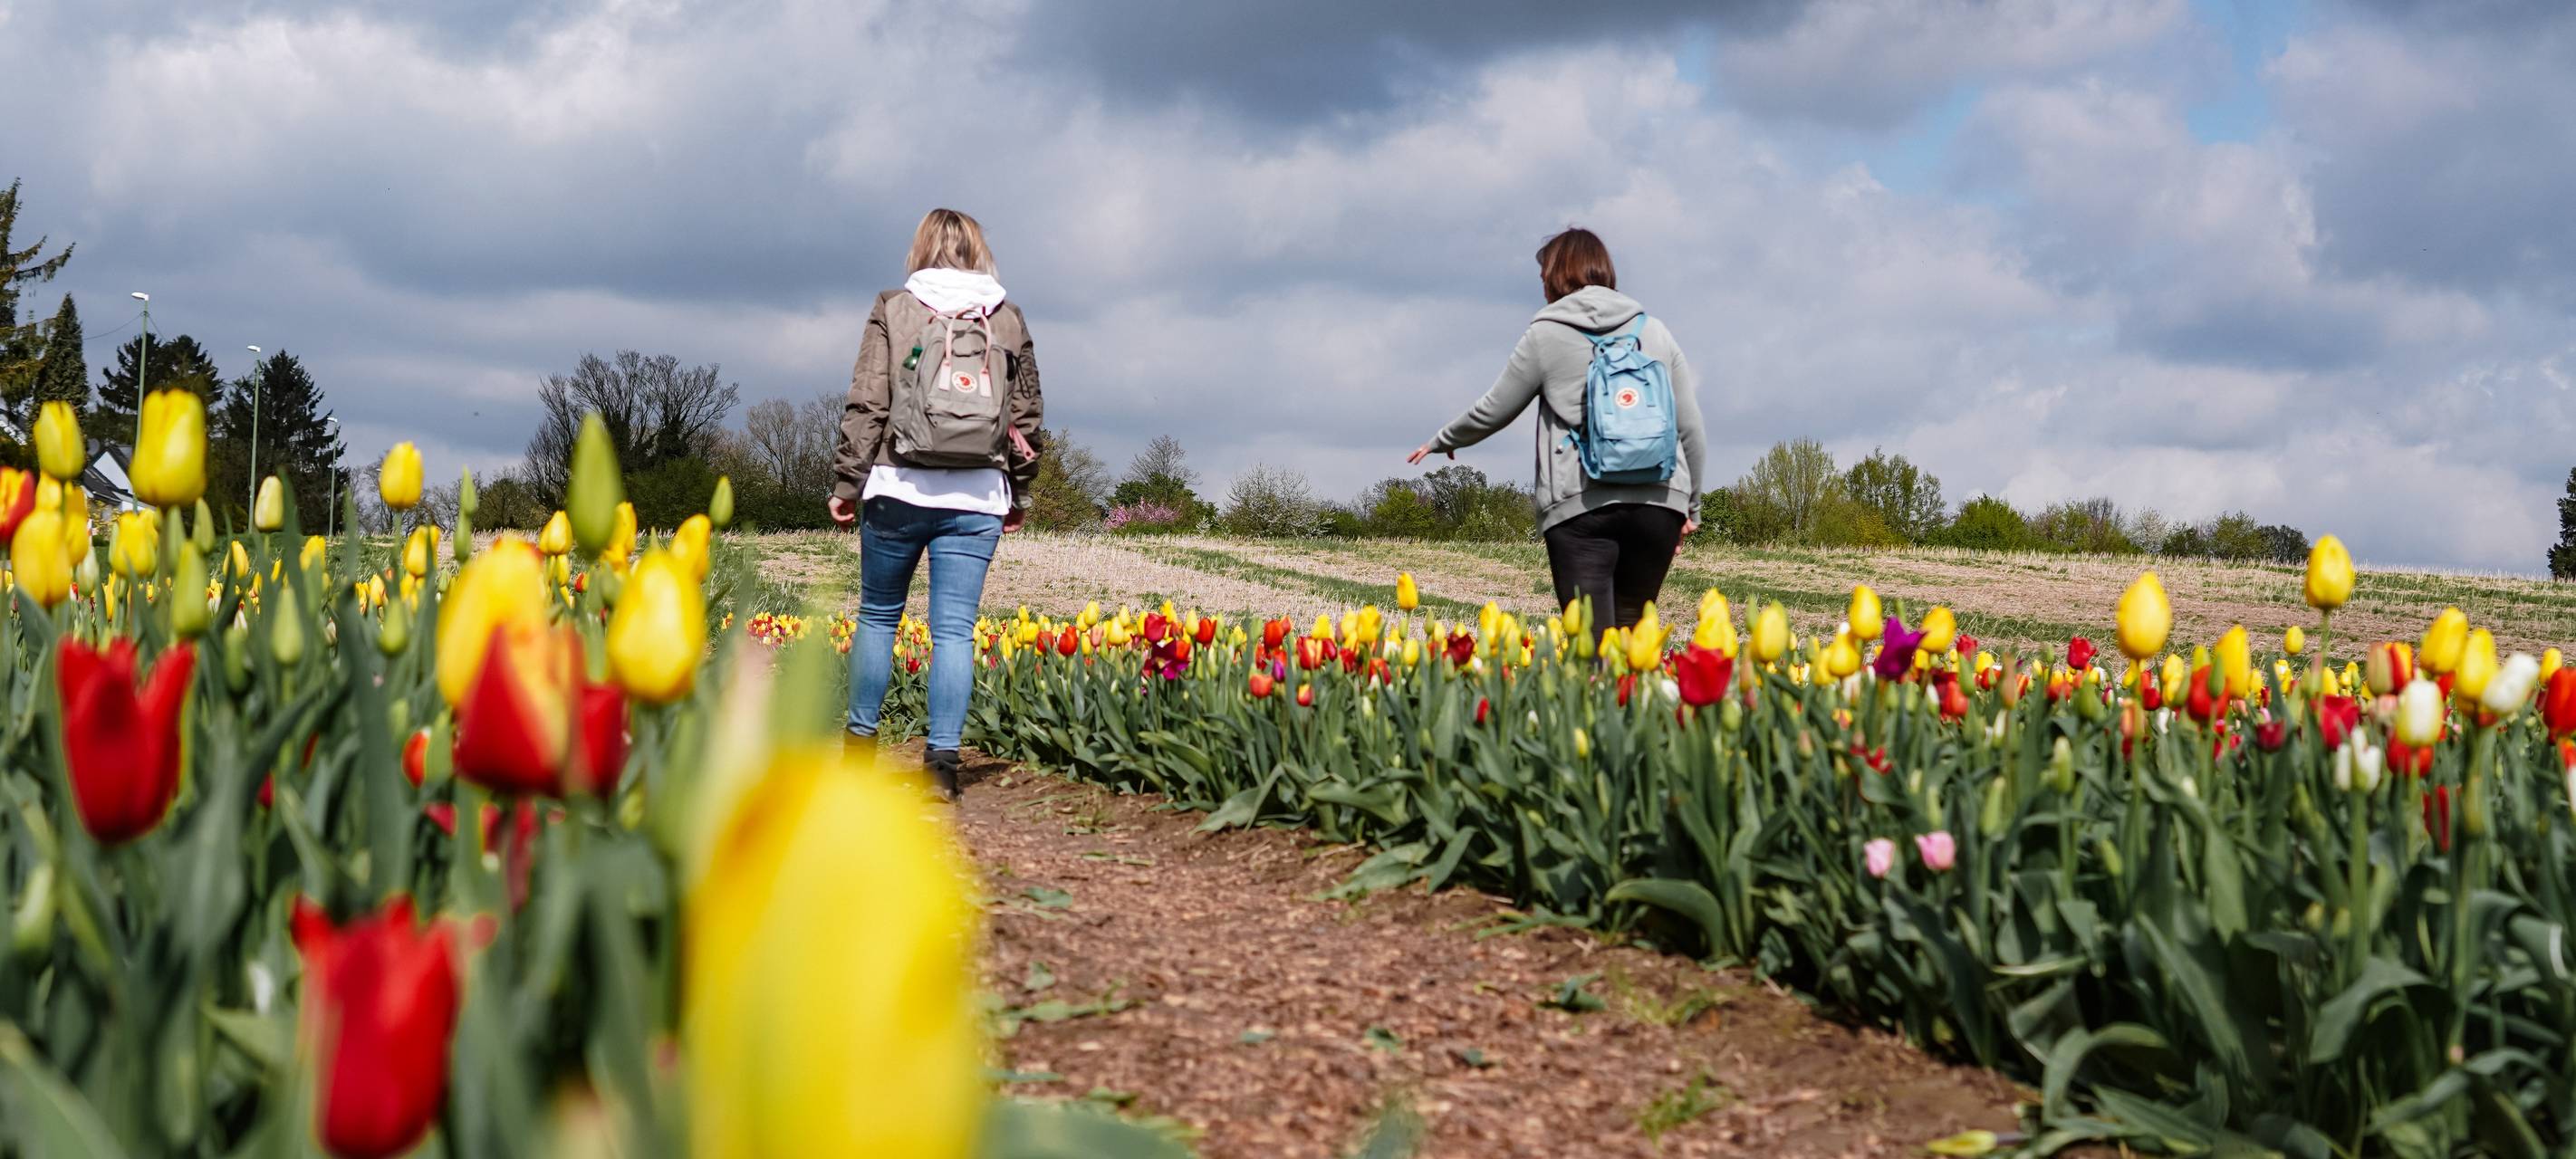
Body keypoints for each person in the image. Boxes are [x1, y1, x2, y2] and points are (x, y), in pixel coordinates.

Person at [831, 208, 1043, 800]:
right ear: (979, 250)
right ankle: (942, 770)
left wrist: (849, 483)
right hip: (978, 493)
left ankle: (856, 757)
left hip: (898, 484)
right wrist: (1019, 491)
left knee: (878, 618)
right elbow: (1025, 416)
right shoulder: (1006, 317)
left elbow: (869, 400)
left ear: (920, 247)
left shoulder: (895, 307)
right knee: (954, 631)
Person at [1410, 226, 1706, 632]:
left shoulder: (1546, 334)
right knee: (1635, 639)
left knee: (1589, 646)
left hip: (1580, 505)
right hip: (1658, 502)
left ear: (1556, 275)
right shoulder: (1653, 330)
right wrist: (1689, 509)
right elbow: (1690, 427)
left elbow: (1495, 408)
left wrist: (1443, 440)